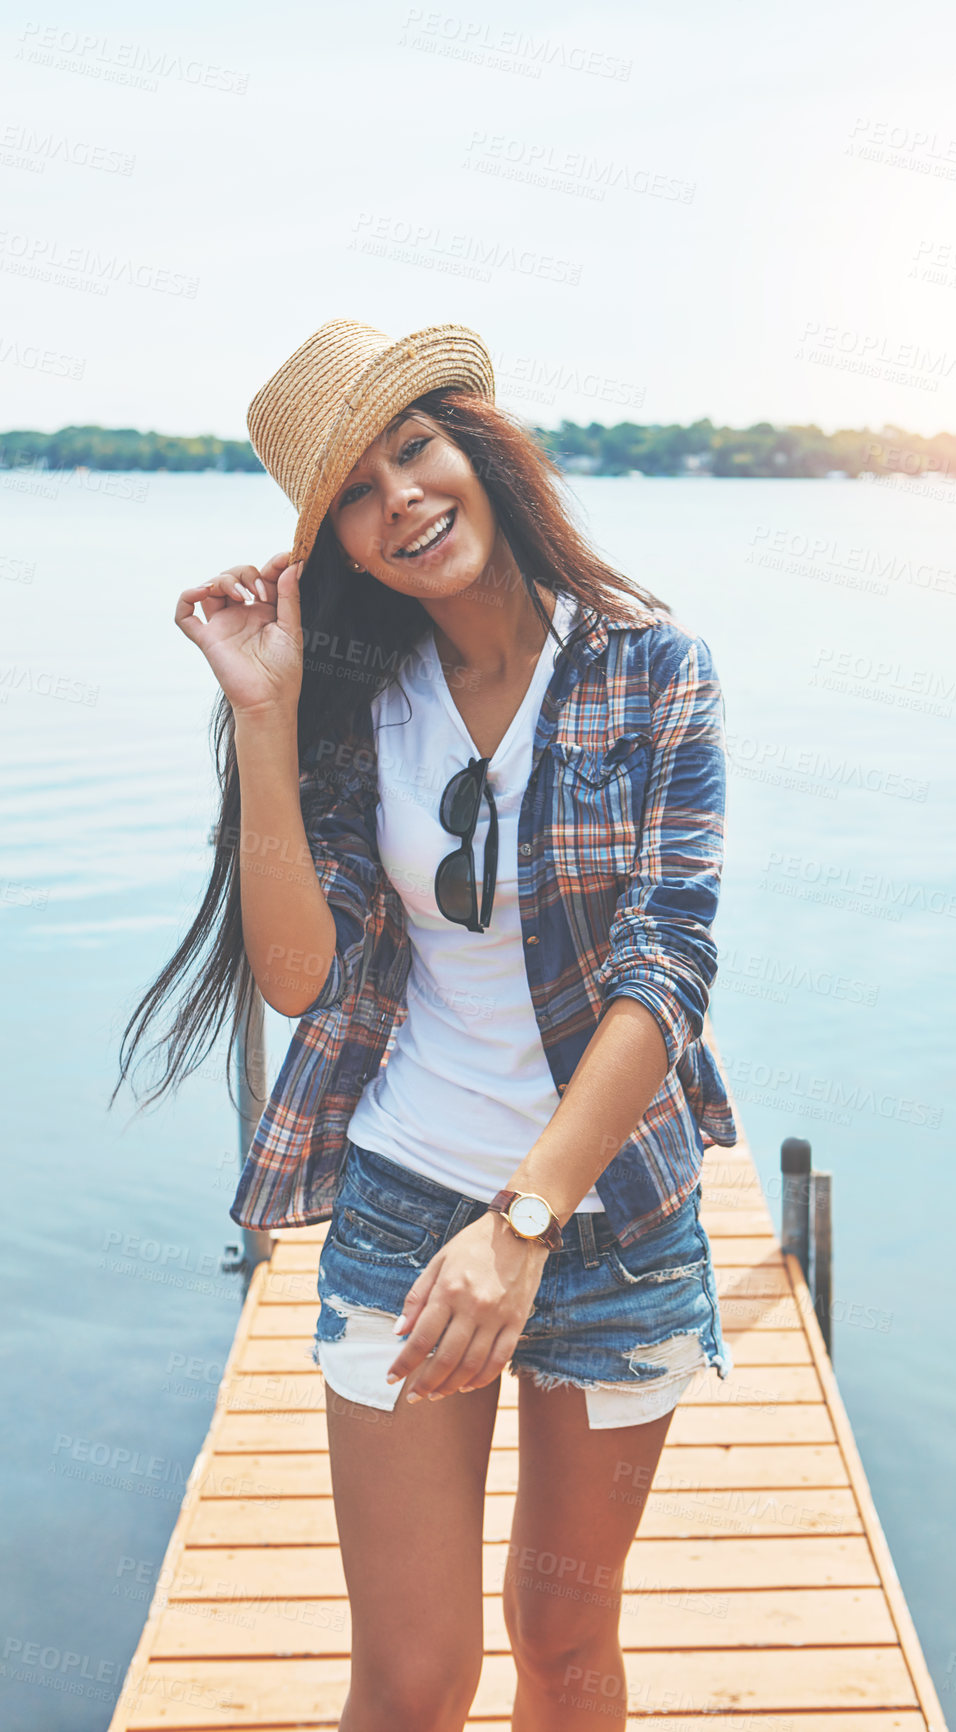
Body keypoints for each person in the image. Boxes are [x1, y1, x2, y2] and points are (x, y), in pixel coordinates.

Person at [115, 317, 739, 1731]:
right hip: (403, 1214)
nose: (397, 497)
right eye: (352, 491)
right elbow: (292, 975)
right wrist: (263, 717)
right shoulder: (357, 707)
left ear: (479, 452)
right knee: (410, 1680)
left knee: (565, 1647)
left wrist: (522, 1229)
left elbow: (666, 966)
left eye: (415, 448)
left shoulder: (654, 671)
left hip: (613, 1226)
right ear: (333, 542)